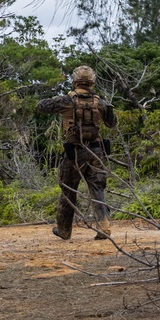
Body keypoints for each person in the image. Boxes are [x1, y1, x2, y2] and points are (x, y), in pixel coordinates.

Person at [38, 65, 117, 240]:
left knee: (68, 191)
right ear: (92, 82)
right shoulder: (101, 102)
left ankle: (65, 231)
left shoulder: (67, 101)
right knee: (97, 189)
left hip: (74, 152)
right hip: (96, 152)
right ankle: (104, 227)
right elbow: (112, 123)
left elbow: (41, 106)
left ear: (74, 82)